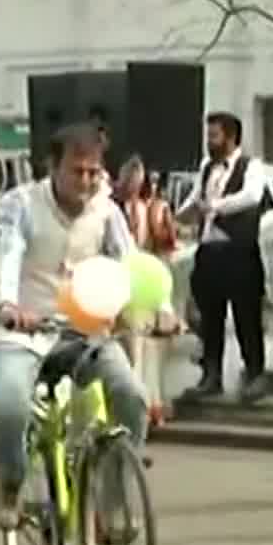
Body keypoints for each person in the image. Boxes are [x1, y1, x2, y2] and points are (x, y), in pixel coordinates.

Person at [0, 124, 150, 529]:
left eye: (94, 172)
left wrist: (152, 309)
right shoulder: (21, 204)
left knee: (132, 397)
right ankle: (11, 481)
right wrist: (8, 305)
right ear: (51, 167)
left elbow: (131, 267)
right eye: (77, 171)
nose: (87, 181)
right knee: (8, 406)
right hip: (23, 332)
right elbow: (7, 254)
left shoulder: (108, 213)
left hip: (84, 332)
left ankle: (112, 499)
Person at [178, 111, 268, 403]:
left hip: (239, 250)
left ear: (230, 137)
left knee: (246, 315)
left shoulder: (251, 166)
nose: (209, 141)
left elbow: (252, 196)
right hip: (210, 251)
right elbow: (195, 200)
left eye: (214, 135)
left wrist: (215, 206)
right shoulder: (207, 167)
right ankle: (211, 375)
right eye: (208, 135)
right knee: (210, 317)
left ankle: (254, 373)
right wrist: (178, 215)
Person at [114, 156, 177, 430]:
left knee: (152, 352)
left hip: (147, 286)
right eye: (130, 180)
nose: (135, 185)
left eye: (139, 181)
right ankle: (136, 407)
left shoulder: (155, 209)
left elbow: (167, 247)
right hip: (124, 289)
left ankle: (153, 405)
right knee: (132, 352)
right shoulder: (111, 210)